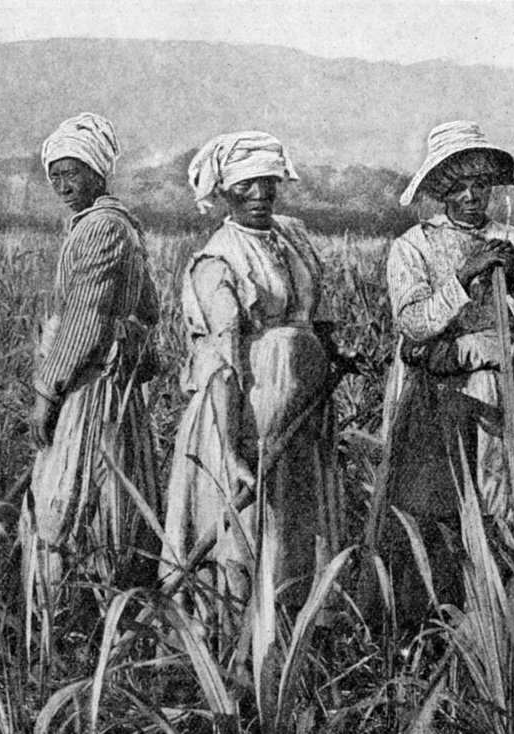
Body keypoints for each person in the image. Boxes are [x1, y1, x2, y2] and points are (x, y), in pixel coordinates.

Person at [161, 131, 341, 618]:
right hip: (247, 413)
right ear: (223, 191)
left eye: (268, 182)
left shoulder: (292, 235)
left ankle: (300, 626)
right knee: (254, 531)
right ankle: (241, 633)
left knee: (300, 522)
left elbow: (314, 312)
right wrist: (232, 452)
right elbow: (221, 365)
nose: (261, 194)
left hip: (304, 407)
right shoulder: (217, 260)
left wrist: (329, 352)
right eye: (245, 186)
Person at [384, 121, 514, 622]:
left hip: (507, 396)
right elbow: (415, 324)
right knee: (441, 508)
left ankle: (509, 620)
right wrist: (463, 276)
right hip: (442, 398)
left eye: (480, 185)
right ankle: (439, 623)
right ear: (439, 190)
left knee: (510, 505)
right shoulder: (414, 247)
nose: (470, 196)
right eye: (457, 186)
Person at [24, 112, 161, 593]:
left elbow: (85, 317)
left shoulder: (101, 228)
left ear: (98, 172)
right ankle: (110, 587)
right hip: (111, 382)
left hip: (92, 385)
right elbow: (149, 307)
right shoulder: (120, 225)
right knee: (115, 481)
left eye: (72, 173)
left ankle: (78, 594)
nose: (63, 185)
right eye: (55, 176)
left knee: (78, 487)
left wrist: (47, 392)